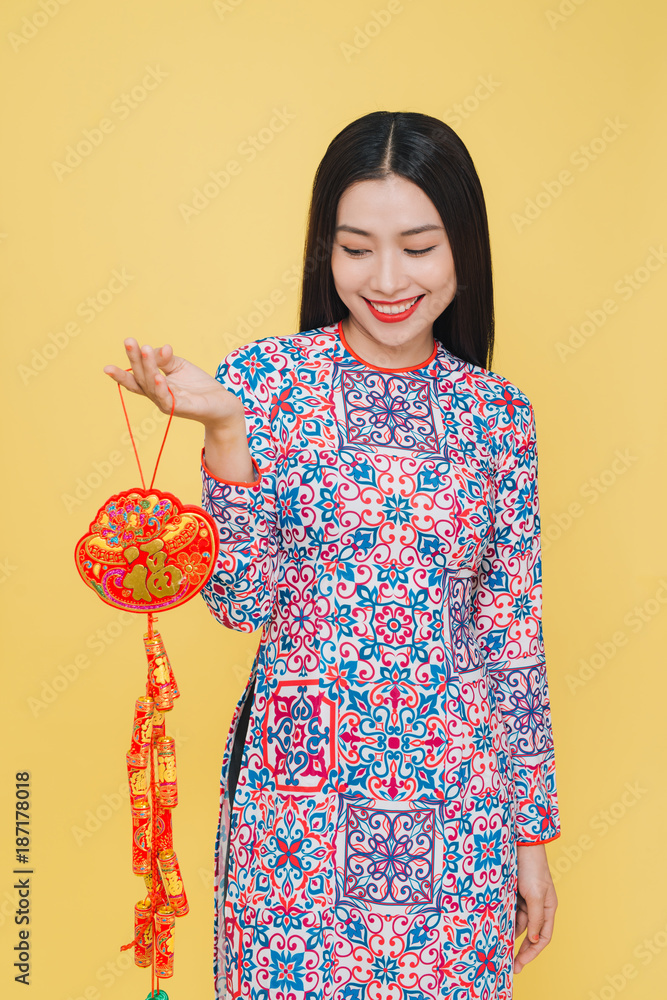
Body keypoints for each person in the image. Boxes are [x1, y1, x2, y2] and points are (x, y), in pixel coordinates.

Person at [105, 110, 561, 1000]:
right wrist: (225, 434)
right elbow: (243, 604)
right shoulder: (266, 383)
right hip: (297, 806)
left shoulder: (499, 417)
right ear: (327, 252)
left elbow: (512, 643)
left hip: (457, 810)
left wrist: (530, 839)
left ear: (462, 245)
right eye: (356, 248)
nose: (386, 279)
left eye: (418, 246)